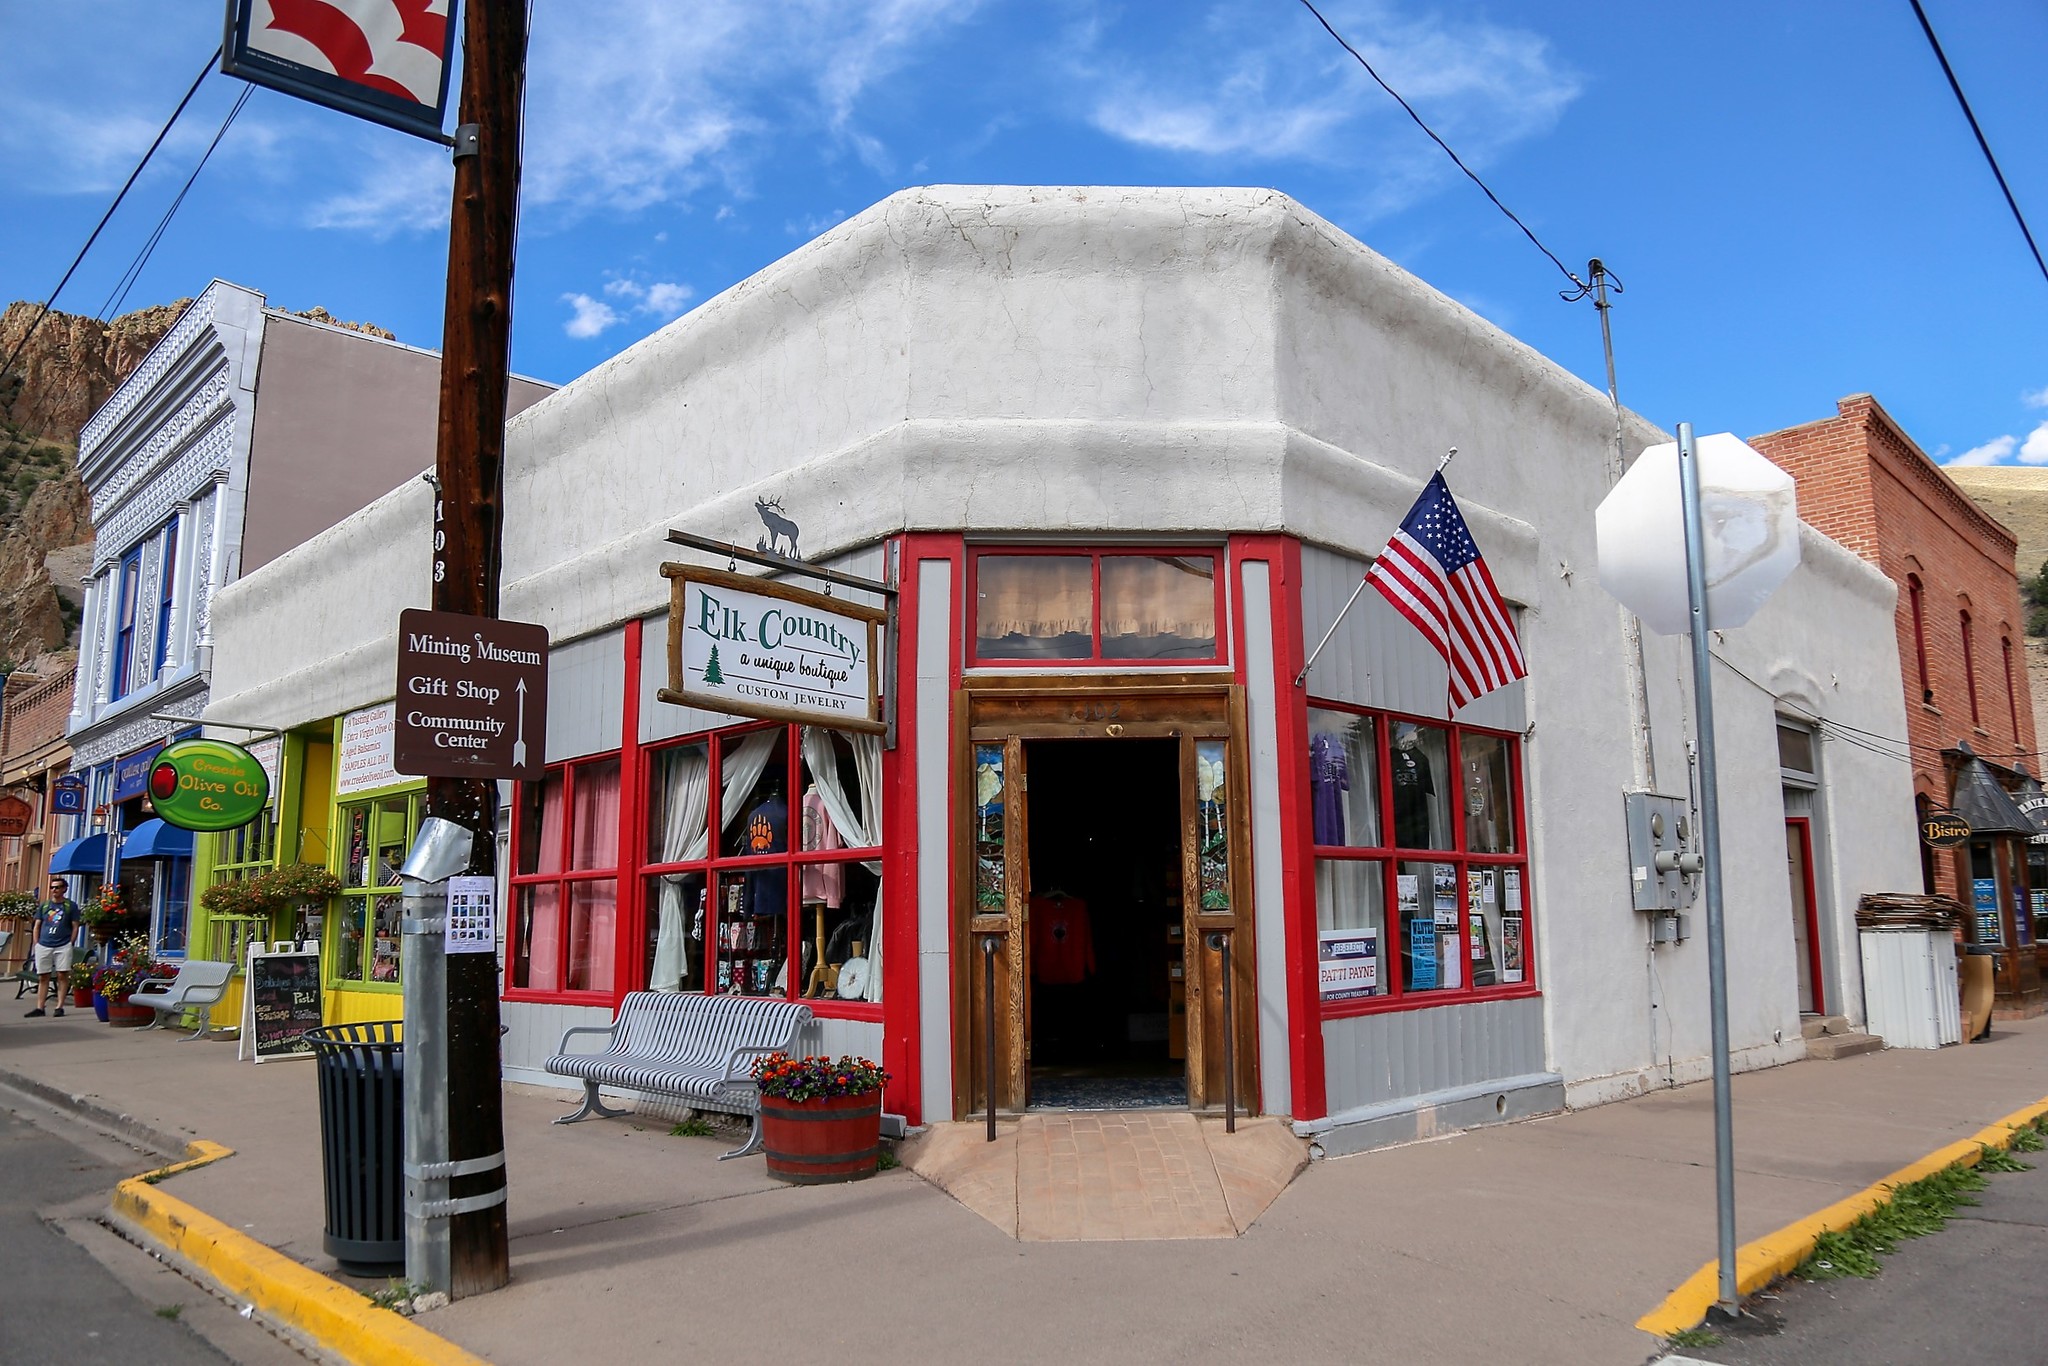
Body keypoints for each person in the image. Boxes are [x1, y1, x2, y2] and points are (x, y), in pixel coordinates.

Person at [25, 876, 82, 1018]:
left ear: (64, 889)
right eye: (52, 887)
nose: (54, 890)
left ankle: (59, 1006)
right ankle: (40, 1007)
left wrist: (71, 942)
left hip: (63, 945)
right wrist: (37, 943)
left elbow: (75, 926)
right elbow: (37, 925)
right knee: (43, 976)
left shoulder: (70, 906)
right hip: (44, 945)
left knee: (62, 975)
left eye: (57, 887)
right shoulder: (44, 906)